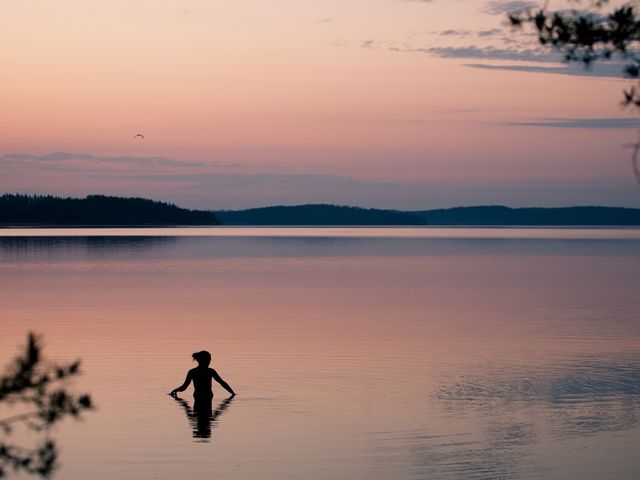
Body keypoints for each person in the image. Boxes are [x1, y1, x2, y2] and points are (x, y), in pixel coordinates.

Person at [170, 351, 236, 400]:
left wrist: (175, 390)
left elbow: (184, 387)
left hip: (199, 396)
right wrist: (233, 394)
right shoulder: (210, 371)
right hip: (207, 396)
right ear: (202, 361)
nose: (209, 362)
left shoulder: (192, 372)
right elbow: (222, 383)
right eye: (208, 360)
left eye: (210, 360)